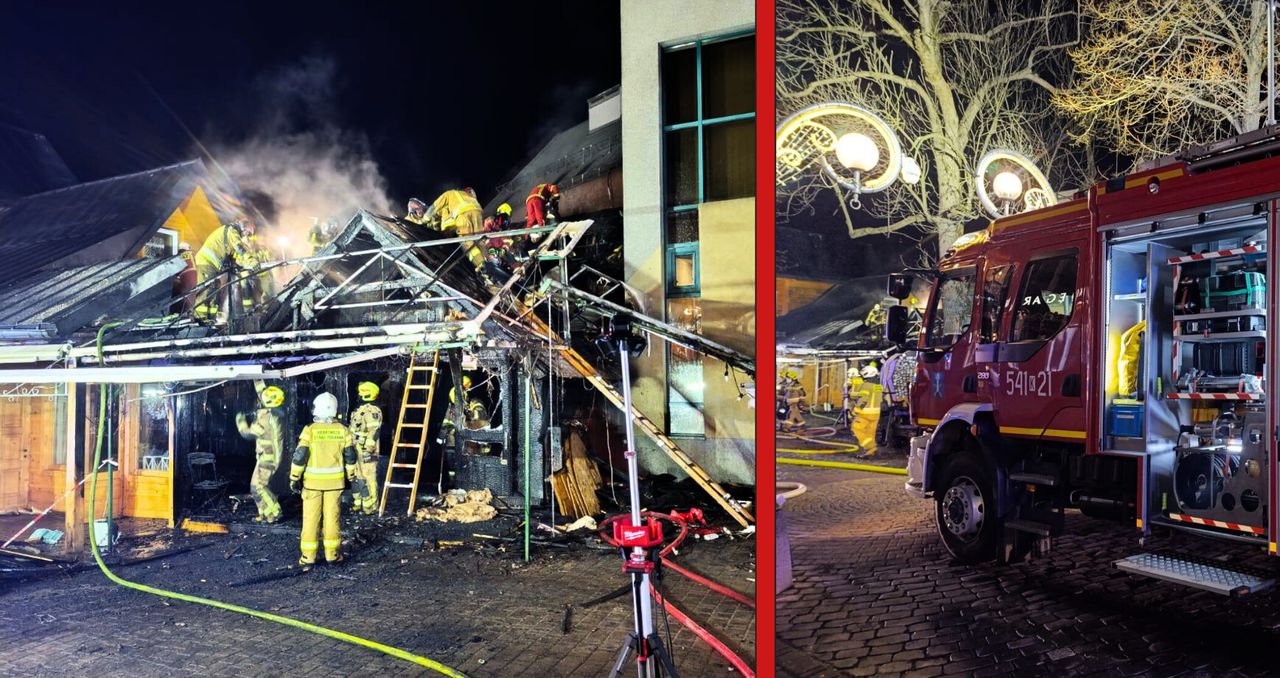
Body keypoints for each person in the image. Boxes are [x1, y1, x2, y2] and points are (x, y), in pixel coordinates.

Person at [289, 393, 361, 570]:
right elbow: (351, 457)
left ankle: (308, 557)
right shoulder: (343, 430)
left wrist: (294, 478)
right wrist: (351, 477)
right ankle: (332, 555)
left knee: (311, 519)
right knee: (332, 519)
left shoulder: (310, 429)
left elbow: (300, 456)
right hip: (335, 484)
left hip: (312, 484)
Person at [235, 381, 285, 523]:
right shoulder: (274, 411)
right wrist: (256, 377)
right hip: (267, 457)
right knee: (254, 487)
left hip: (268, 458)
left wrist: (240, 419)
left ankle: (275, 513)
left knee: (260, 486)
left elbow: (247, 433)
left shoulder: (265, 419)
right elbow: (263, 392)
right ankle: (264, 514)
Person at [349, 382, 384, 515]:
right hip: (355, 448)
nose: (359, 394)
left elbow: (373, 431)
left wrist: (368, 450)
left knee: (369, 478)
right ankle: (359, 503)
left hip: (366, 450)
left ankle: (371, 507)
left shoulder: (373, 411)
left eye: (362, 392)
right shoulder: (360, 410)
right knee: (357, 477)